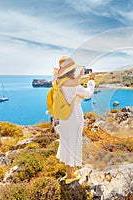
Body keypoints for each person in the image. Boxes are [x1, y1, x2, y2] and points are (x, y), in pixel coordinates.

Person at [54, 56, 95, 184]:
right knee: (73, 142)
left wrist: (78, 77)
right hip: (74, 116)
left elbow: (71, 86)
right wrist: (91, 81)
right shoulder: (74, 85)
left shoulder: (58, 81)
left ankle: (69, 173)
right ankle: (70, 176)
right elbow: (88, 93)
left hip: (64, 116)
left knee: (67, 142)